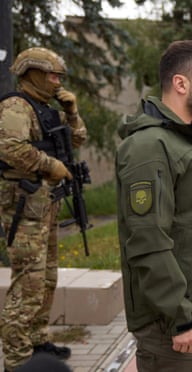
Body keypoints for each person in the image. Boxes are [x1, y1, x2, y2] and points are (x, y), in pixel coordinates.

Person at [115, 40, 192, 371]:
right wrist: (180, 317)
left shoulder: (185, 140)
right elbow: (148, 241)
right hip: (168, 320)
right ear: (181, 83)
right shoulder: (150, 147)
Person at [0, 47, 87, 371]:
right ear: (33, 73)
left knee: (47, 277)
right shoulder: (16, 106)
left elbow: (77, 139)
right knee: (28, 282)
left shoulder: (45, 108)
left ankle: (37, 342)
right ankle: (17, 358)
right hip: (23, 203)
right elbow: (9, 147)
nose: (56, 81)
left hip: (44, 203)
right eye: (52, 75)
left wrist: (73, 111)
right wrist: (52, 166)